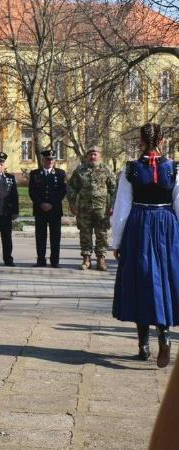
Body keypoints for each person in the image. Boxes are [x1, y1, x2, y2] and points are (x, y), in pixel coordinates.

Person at [111, 123, 179, 368]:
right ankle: (164, 334)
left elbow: (122, 208)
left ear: (140, 140)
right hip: (166, 227)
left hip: (139, 226)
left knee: (140, 279)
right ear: (162, 140)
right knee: (164, 280)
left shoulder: (130, 169)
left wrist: (116, 241)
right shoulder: (175, 168)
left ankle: (143, 345)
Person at [68, 146, 117, 271]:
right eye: (90, 154)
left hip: (102, 209)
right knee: (85, 233)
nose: (93, 156)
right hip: (84, 209)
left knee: (102, 233)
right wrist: (72, 204)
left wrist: (112, 206)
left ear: (100, 156)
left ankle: (101, 258)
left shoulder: (106, 170)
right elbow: (72, 188)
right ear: (87, 156)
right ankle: (86, 258)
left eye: (95, 154)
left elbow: (114, 189)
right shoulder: (80, 171)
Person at [28, 150, 68, 268]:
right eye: (47, 159)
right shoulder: (35, 173)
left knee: (55, 236)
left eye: (52, 159)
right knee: (40, 236)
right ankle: (41, 260)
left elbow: (62, 191)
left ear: (54, 161)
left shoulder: (60, 174)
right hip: (40, 210)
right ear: (43, 160)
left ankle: (55, 261)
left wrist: (51, 204)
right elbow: (32, 191)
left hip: (55, 210)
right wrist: (41, 204)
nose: (49, 161)